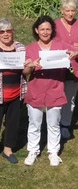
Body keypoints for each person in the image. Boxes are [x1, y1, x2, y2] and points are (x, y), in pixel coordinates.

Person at [23, 15, 78, 166]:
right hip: (36, 90)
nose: (45, 32)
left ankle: (53, 152)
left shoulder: (60, 45)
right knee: (34, 123)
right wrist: (31, 65)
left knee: (54, 123)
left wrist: (75, 53)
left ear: (52, 30)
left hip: (55, 90)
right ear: (36, 30)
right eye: (42, 29)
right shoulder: (30, 48)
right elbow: (25, 72)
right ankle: (33, 150)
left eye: (48, 29)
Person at [54, 0, 78, 139]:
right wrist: (73, 47)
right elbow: (53, 44)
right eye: (67, 10)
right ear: (62, 10)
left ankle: (65, 124)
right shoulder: (54, 25)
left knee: (70, 97)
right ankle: (53, 124)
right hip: (57, 66)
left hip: (75, 66)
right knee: (56, 96)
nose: (70, 13)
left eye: (72, 11)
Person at [0, 18, 27, 164]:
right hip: (0, 94)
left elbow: (25, 70)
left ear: (13, 32)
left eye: (8, 31)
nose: (5, 34)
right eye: (2, 31)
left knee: (13, 123)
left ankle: (7, 150)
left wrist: (29, 65)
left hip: (16, 94)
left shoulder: (20, 47)